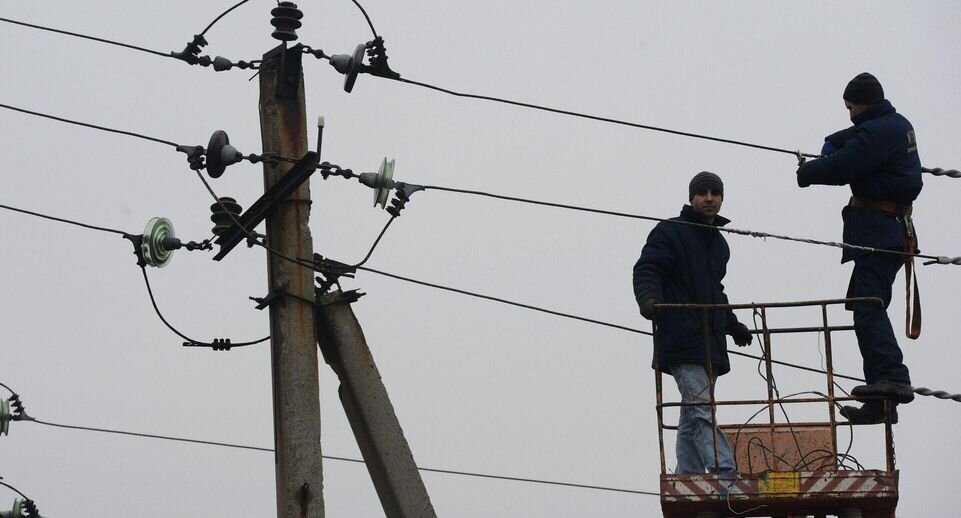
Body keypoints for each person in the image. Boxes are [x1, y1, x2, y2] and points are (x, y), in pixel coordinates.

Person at [796, 72, 921, 424]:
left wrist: (808, 172)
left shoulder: (878, 132)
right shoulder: (892, 124)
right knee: (865, 307)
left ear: (864, 103)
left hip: (879, 235)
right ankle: (881, 401)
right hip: (889, 234)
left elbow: (843, 166)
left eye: (851, 107)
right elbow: (851, 139)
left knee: (869, 307)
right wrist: (831, 141)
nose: (849, 113)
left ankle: (893, 379)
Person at [633, 171, 753, 474]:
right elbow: (648, 268)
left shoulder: (719, 244)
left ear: (722, 198)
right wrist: (648, 299)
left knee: (692, 409)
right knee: (701, 407)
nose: (709, 198)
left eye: (715, 193)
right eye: (703, 193)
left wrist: (732, 324)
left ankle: (687, 473)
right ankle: (724, 470)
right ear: (692, 198)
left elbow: (714, 292)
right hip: (681, 336)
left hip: (709, 341)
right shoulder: (671, 232)